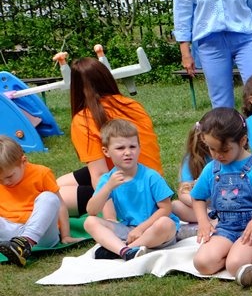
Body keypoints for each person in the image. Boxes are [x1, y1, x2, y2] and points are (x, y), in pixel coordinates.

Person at [57, 57, 163, 216]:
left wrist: (110, 219)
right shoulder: (132, 105)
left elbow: (99, 174)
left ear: (75, 88)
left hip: (134, 191)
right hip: (153, 180)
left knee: (53, 196)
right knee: (58, 184)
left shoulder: (83, 119)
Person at [190, 108, 252, 277]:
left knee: (235, 265)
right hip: (226, 228)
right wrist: (203, 221)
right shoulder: (212, 169)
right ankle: (235, 255)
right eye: (212, 149)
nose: (217, 155)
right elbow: (197, 197)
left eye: (224, 150)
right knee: (202, 263)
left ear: (243, 141)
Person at [83, 119, 178, 260]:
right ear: (106, 151)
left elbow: (166, 208)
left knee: (166, 224)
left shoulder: (151, 176)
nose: (127, 152)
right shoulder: (108, 179)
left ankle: (123, 249)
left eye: (132, 147)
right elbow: (92, 211)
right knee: (90, 222)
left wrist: (141, 229)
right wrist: (108, 187)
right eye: (120, 148)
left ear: (139, 148)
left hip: (155, 230)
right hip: (129, 230)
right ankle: (126, 251)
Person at [0, 136, 72, 267]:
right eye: (0, 180)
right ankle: (17, 246)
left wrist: (66, 235)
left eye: (9, 176)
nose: (5, 182)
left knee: (49, 198)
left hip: (42, 234)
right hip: (10, 234)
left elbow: (60, 205)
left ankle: (25, 243)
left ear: (23, 161)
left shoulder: (41, 173)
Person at [171, 122, 212, 224]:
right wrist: (197, 196)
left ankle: (212, 217)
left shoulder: (222, 158)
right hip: (202, 205)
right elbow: (183, 191)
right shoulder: (190, 160)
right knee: (175, 205)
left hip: (222, 201)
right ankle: (211, 216)